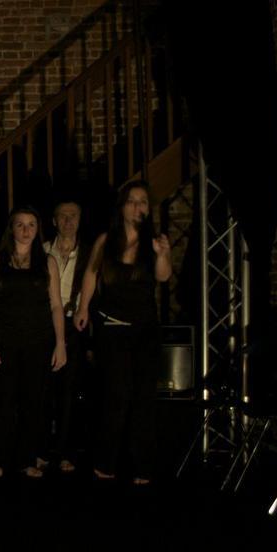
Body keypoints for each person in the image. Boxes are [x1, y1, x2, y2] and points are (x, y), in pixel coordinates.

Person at [74, 181, 171, 484]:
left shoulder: (154, 242)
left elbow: (163, 276)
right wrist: (83, 308)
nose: (138, 206)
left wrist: (163, 254)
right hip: (112, 328)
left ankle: (143, 465)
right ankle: (105, 462)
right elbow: (91, 274)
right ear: (123, 206)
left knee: (143, 397)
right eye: (133, 200)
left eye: (143, 202)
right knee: (116, 394)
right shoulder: (106, 240)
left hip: (144, 330)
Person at [0, 206, 67, 479]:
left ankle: (27, 458)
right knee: (3, 400)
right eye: (20, 224)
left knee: (34, 402)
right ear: (12, 228)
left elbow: (56, 305)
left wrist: (61, 343)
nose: (26, 230)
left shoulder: (47, 262)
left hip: (38, 340)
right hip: (4, 341)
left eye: (31, 224)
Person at [42, 200, 89, 473]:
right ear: (54, 220)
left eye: (73, 216)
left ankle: (64, 451)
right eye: (63, 216)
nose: (68, 221)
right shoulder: (42, 251)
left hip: (74, 323)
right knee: (43, 388)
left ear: (80, 220)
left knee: (69, 390)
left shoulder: (88, 253)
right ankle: (40, 448)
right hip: (44, 324)